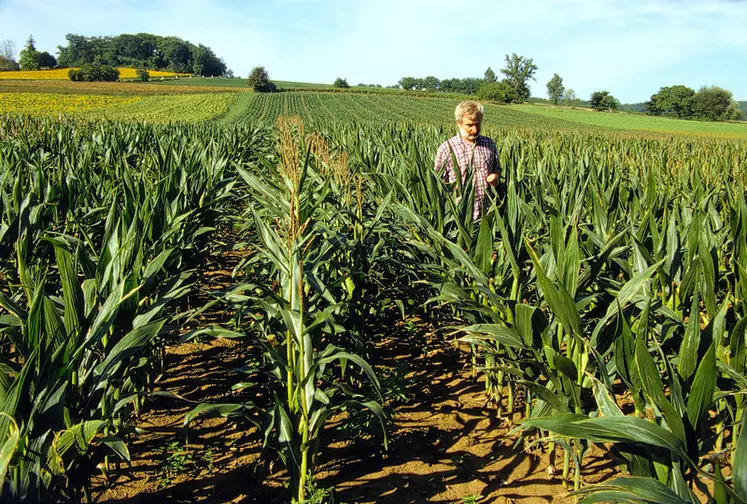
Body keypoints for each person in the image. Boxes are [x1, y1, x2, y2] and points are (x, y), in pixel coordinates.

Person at [434, 101, 500, 219]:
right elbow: (438, 184)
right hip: (459, 217)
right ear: (458, 123)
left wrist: (495, 176)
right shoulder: (446, 149)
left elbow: (497, 168)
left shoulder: (489, 144)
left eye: (478, 124)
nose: (475, 130)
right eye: (469, 125)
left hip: (488, 214)